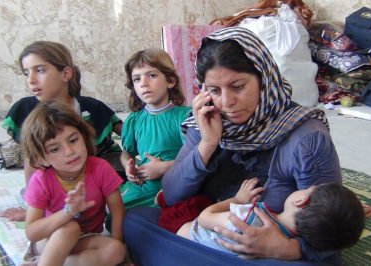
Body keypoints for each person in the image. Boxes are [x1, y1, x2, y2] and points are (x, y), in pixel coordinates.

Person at [123, 27, 343, 265]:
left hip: (266, 252)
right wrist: (207, 144)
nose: (227, 103)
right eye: (215, 91)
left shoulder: (307, 138)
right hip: (209, 232)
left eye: (238, 86)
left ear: (263, 78)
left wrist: (287, 248)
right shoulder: (206, 120)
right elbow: (174, 195)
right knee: (134, 221)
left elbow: (332, 230)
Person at [0, 41, 123, 221]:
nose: (31, 80)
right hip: (60, 173)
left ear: (65, 73)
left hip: (101, 172)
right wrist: (34, 210)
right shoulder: (26, 110)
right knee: (34, 164)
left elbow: (131, 134)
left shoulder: (90, 107)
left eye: (40, 70)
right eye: (26, 73)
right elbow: (33, 161)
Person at [20, 101, 125, 265]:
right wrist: (68, 212)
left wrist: (120, 247)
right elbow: (32, 232)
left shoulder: (100, 168)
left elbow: (117, 210)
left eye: (73, 140)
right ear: (41, 158)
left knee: (116, 250)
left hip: (88, 238)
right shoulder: (41, 180)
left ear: (83, 136)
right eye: (55, 149)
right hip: (49, 238)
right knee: (70, 228)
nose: (69, 152)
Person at [178, 178, 365, 256]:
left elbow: (205, 217)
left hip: (185, 237)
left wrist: (236, 199)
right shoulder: (293, 240)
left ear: (301, 200)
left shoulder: (249, 217)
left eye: (307, 188)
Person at [119, 48, 191, 209]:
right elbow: (126, 153)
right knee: (115, 214)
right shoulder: (134, 120)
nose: (144, 83)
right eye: (137, 79)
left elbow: (197, 157)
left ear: (170, 81)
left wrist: (164, 167)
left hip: (176, 185)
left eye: (152, 75)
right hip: (144, 186)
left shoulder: (185, 117)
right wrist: (128, 166)